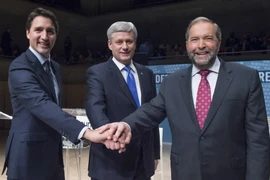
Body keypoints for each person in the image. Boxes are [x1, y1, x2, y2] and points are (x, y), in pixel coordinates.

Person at [100, 17, 270, 180]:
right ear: (187, 44)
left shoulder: (245, 78)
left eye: (208, 38)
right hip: (185, 173)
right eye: (194, 39)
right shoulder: (172, 82)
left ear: (218, 42)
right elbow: (150, 111)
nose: (201, 45)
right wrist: (126, 125)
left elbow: (258, 140)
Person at [1, 7, 122, 180]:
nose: (44, 36)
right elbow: (42, 105)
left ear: (56, 36)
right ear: (28, 33)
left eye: (50, 31)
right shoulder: (20, 67)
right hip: (27, 156)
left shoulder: (56, 68)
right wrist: (86, 132)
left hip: (53, 155)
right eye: (38, 30)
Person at [85, 21, 160, 180]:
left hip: (143, 160)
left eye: (129, 41)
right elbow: (95, 106)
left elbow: (152, 113)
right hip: (111, 157)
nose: (124, 46)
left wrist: (155, 153)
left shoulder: (147, 74)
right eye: (119, 42)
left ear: (135, 44)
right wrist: (109, 136)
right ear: (110, 44)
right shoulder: (98, 73)